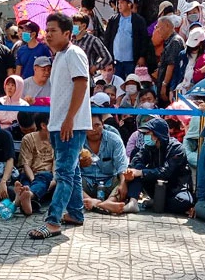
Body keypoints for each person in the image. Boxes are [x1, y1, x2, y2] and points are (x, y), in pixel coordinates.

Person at [29, 12, 92, 240]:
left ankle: (53, 221)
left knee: (64, 172)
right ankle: (75, 213)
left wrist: (69, 119)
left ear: (68, 33)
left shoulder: (74, 53)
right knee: (71, 170)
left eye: (53, 30)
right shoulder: (59, 56)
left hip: (70, 124)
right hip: (59, 123)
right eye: (47, 30)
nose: (48, 35)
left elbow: (82, 84)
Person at [119, 118, 194, 216]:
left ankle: (158, 203)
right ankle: (133, 202)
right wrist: (130, 172)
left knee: (184, 202)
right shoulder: (149, 147)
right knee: (137, 167)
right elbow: (137, 160)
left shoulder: (177, 148)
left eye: (148, 133)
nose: (145, 136)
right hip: (155, 185)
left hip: (175, 188)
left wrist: (142, 172)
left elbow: (166, 172)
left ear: (157, 135)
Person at [80, 114, 129, 214]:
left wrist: (123, 183)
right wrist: (80, 164)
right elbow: (71, 168)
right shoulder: (78, 141)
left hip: (109, 182)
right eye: (89, 126)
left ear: (103, 124)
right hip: (86, 183)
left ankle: (107, 203)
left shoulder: (114, 140)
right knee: (66, 181)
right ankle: (98, 204)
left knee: (127, 180)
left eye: (97, 125)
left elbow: (122, 166)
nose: (94, 129)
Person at [14, 112, 56, 215]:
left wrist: (55, 179)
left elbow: (55, 161)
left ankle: (20, 199)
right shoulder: (28, 138)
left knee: (39, 181)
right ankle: (28, 195)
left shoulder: (55, 140)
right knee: (29, 184)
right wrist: (33, 179)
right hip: (30, 174)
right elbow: (26, 164)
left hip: (46, 174)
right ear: (43, 125)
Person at [103, 0, 153, 79]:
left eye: (122, 2)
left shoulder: (139, 20)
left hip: (132, 61)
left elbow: (144, 40)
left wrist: (142, 56)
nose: (119, 5)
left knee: (132, 83)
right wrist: (107, 58)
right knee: (117, 84)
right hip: (116, 60)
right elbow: (107, 39)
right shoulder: (114, 20)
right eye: (118, 3)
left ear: (129, 4)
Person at [153, 15, 186, 105]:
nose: (158, 31)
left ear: (167, 26)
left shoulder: (175, 41)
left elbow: (171, 65)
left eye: (159, 27)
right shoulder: (169, 41)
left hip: (170, 86)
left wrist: (165, 84)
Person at [176, 27, 205, 91]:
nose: (193, 49)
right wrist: (172, 90)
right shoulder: (183, 54)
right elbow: (177, 73)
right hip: (181, 89)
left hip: (197, 90)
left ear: (201, 44)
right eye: (190, 47)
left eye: (195, 47)